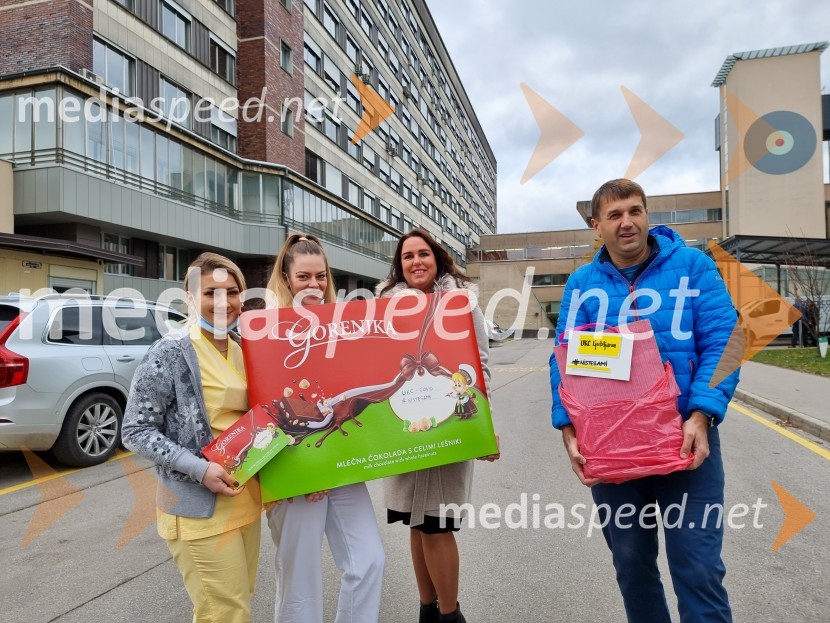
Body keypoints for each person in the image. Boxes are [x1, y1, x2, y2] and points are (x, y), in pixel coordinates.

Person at [549, 180, 741, 623]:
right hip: (614, 453)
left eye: (634, 211)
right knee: (632, 568)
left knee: (698, 569)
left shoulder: (693, 267)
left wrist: (701, 414)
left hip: (685, 445)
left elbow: (726, 341)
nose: (627, 222)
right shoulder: (582, 284)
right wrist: (568, 427)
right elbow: (563, 360)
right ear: (597, 226)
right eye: (614, 215)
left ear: (647, 215)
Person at [122, 252, 261, 623]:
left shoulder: (243, 347)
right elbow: (135, 430)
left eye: (232, 292)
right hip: (199, 507)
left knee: (237, 605)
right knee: (225, 614)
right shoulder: (171, 352)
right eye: (210, 292)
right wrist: (199, 470)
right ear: (188, 296)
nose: (223, 302)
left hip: (246, 500)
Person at [377, 227, 499, 623]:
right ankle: (426, 610)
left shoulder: (463, 304)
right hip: (406, 426)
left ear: (437, 258)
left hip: (449, 425)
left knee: (437, 524)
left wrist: (484, 425)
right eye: (408, 256)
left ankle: (450, 616)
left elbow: (479, 368)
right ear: (400, 265)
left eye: (423, 254)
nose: (416, 262)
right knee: (416, 522)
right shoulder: (384, 309)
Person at [264, 233, 386, 623]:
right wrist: (306, 473)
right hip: (295, 472)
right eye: (304, 277)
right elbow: (267, 411)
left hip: (341, 466)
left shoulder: (343, 325)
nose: (314, 285)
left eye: (320, 276)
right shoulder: (265, 330)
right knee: (299, 580)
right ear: (286, 279)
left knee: (369, 561)